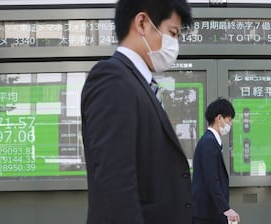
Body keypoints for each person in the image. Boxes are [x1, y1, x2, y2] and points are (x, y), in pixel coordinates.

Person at [81, 0, 193, 223]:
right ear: (142, 22)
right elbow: (115, 185)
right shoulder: (112, 79)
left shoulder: (140, 84)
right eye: (172, 33)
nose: (175, 44)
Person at [192, 98, 241, 224]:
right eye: (229, 120)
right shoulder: (209, 143)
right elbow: (212, 179)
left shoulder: (211, 141)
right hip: (207, 214)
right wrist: (226, 209)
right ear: (219, 118)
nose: (230, 124)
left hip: (209, 212)